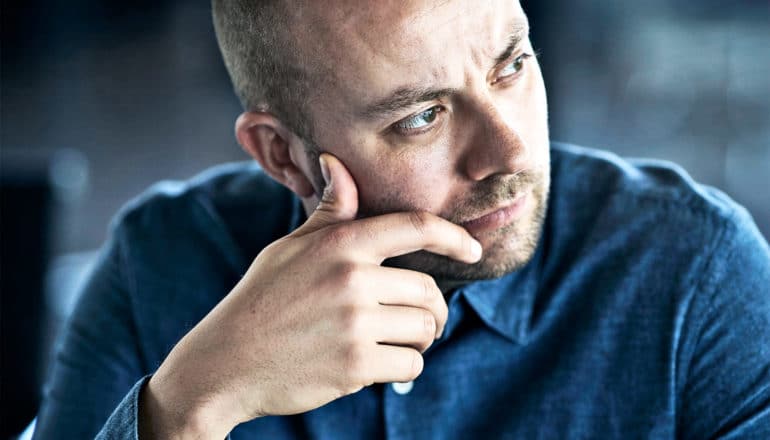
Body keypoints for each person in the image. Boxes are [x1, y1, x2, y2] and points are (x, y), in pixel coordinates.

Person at [34, 0, 770, 438]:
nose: (511, 150)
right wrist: (190, 405)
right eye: (423, 116)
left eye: (511, 66)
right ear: (284, 157)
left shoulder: (696, 272)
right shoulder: (157, 262)